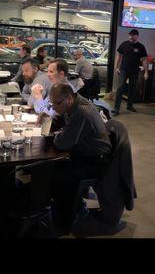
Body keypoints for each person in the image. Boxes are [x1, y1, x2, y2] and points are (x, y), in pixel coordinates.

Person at [49, 82, 112, 232]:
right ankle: (66, 211)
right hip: (85, 152)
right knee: (55, 167)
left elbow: (63, 143)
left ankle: (65, 223)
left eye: (56, 103)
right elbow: (65, 134)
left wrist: (57, 136)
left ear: (69, 99)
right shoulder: (73, 104)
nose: (53, 107)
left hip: (97, 160)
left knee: (62, 176)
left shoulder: (81, 112)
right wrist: (61, 133)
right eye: (52, 102)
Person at [112, 29, 148, 115]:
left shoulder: (141, 47)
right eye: (130, 35)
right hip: (123, 69)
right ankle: (116, 108)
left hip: (135, 71)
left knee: (132, 88)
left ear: (137, 36)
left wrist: (146, 72)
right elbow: (119, 55)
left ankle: (130, 105)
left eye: (132, 35)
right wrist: (116, 67)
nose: (131, 37)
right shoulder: (124, 44)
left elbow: (144, 60)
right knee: (120, 88)